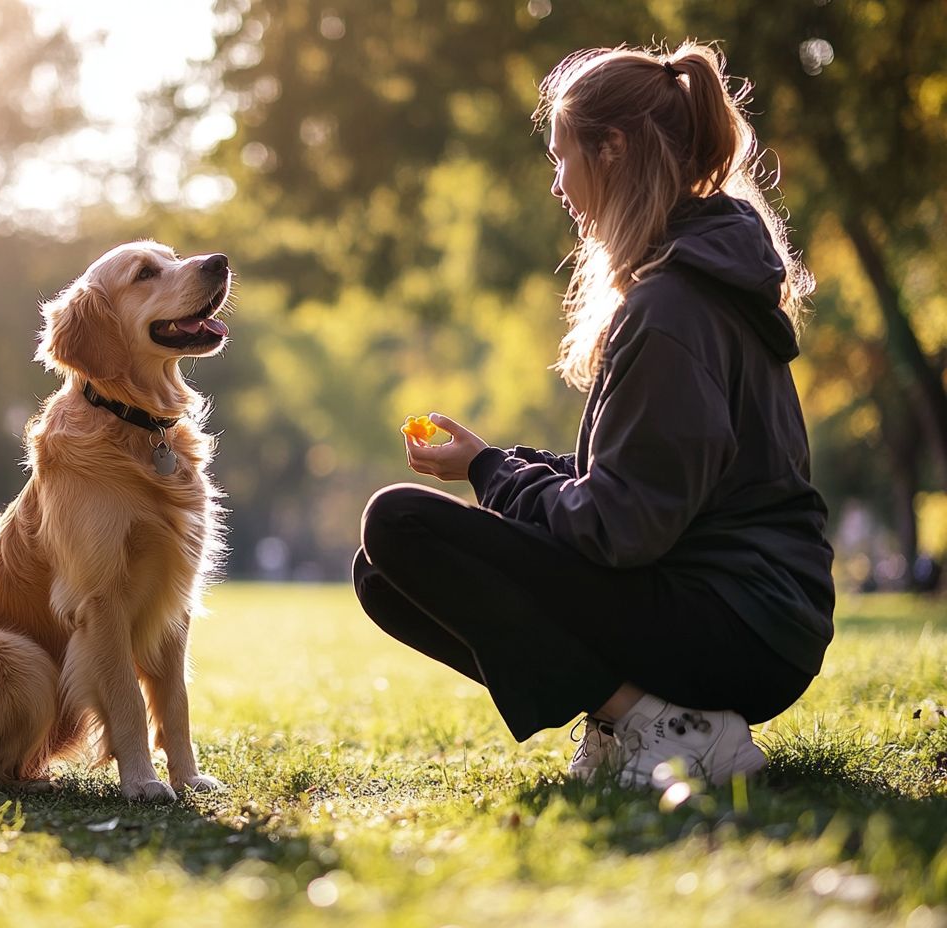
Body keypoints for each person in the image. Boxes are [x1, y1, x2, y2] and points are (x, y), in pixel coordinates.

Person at [352, 42, 835, 788]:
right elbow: (642, 485)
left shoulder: (672, 306)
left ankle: (665, 729)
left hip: (743, 624)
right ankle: (637, 719)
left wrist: (490, 472)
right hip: (743, 613)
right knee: (383, 573)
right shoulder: (692, 285)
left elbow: (621, 530)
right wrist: (499, 462)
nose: (557, 185)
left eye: (561, 158)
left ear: (612, 149)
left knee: (399, 525)